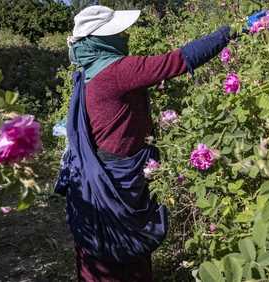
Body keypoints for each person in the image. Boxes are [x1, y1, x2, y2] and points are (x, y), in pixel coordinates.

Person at [55, 5, 238, 282]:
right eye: (117, 32)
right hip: (116, 179)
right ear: (100, 39)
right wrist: (231, 31)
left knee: (99, 247)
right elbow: (180, 59)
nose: (125, 35)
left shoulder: (87, 69)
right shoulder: (117, 71)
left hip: (99, 174)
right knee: (123, 249)